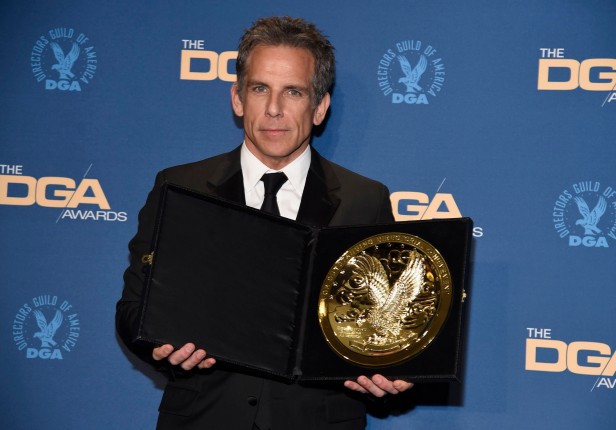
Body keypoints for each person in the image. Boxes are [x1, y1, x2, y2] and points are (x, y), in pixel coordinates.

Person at [116, 16, 412, 430]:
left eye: (293, 91)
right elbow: (133, 307)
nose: (274, 109)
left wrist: (383, 372)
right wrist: (157, 346)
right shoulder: (180, 186)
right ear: (238, 99)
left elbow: (382, 332)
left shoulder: (365, 200)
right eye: (260, 89)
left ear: (320, 107)